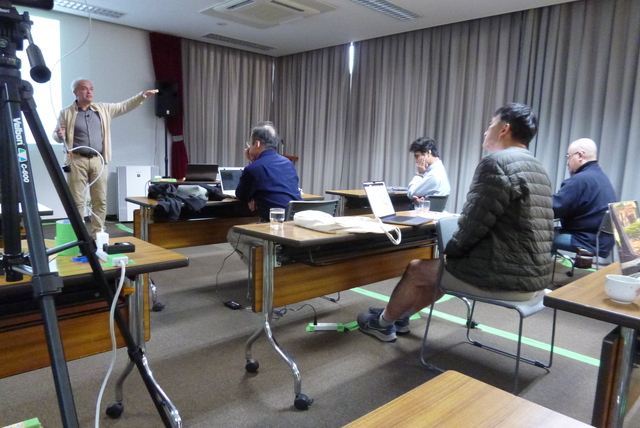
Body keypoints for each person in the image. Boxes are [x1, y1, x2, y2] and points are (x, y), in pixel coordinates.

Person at [357, 103, 554, 342]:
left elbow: (474, 224)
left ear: (504, 129)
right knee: (440, 268)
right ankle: (400, 316)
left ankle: (382, 324)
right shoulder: (538, 167)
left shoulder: (497, 163)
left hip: (507, 276)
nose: (486, 131)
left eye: (490, 125)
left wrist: (451, 252)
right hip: (535, 276)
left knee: (418, 269)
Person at [53, 79, 158, 238]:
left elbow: (124, 106)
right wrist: (59, 136)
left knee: (100, 199)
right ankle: (78, 237)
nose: (89, 92)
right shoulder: (66, 112)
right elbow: (56, 135)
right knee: (77, 201)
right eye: (84, 89)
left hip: (98, 160)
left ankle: (99, 234)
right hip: (76, 160)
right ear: (75, 93)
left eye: (91, 88)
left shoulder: (102, 109)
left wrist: (142, 96)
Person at [227, 121, 301, 263]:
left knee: (234, 234)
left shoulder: (253, 169)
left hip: (275, 228)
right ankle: (273, 260)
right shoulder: (288, 163)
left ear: (257, 144)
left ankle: (265, 270)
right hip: (295, 225)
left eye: (250, 144)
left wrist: (252, 163)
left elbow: (241, 195)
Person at [552, 138, 617, 258]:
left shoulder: (579, 180)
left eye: (568, 156)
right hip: (602, 240)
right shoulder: (602, 177)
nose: (567, 162)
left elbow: (554, 208)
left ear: (580, 156)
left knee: (539, 236)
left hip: (585, 240)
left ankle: (540, 270)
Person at [406, 137, 451, 203]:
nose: (416, 161)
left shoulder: (434, 175)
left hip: (428, 210)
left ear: (428, 153)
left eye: (417, 156)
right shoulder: (438, 170)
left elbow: (410, 193)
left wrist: (419, 174)